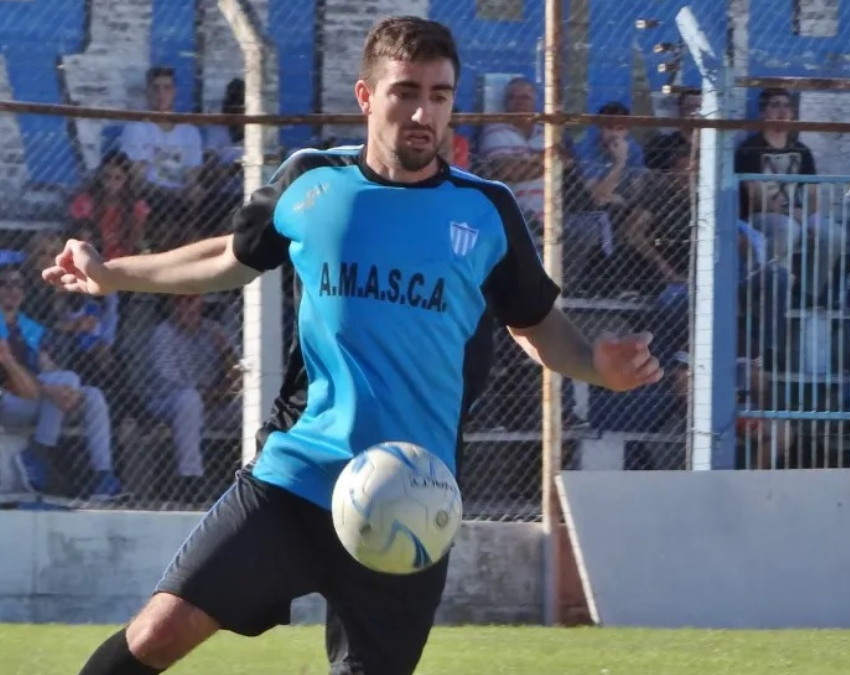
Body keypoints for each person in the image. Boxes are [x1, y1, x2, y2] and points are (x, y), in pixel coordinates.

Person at [46, 16, 662, 675]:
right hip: (295, 474)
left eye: (440, 93)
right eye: (405, 91)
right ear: (367, 97)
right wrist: (113, 273)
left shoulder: (487, 210)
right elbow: (228, 258)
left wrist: (595, 364)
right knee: (154, 635)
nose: (424, 111)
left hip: (412, 499)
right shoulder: (312, 180)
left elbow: (539, 327)